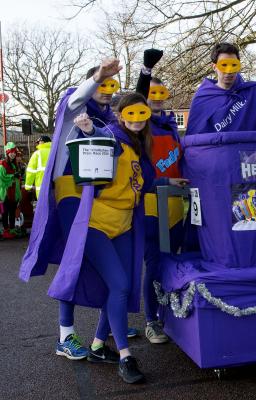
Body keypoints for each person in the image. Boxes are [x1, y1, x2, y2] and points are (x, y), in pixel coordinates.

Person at [69, 92, 186, 383]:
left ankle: (98, 345)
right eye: (130, 113)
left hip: (122, 225)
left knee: (121, 287)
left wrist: (168, 181)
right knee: (120, 286)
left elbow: (143, 181)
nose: (136, 119)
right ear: (121, 115)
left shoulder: (139, 144)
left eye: (141, 113)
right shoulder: (113, 136)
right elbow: (101, 142)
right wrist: (88, 131)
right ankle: (125, 356)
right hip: (96, 224)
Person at [19, 58, 122, 362]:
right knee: (73, 260)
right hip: (71, 195)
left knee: (100, 266)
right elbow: (78, 97)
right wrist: (99, 75)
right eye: (100, 84)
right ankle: (66, 335)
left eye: (109, 85)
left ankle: (100, 339)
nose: (104, 90)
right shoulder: (74, 107)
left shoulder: (107, 121)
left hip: (99, 198)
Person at [135, 49, 186, 344]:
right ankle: (151, 320)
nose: (155, 97)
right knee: (154, 264)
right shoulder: (141, 126)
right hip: (152, 205)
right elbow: (138, 101)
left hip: (177, 203)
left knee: (172, 261)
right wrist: (146, 73)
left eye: (160, 92)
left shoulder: (170, 125)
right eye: (150, 92)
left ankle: (169, 312)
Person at [0, 142, 21, 239]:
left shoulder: (14, 164)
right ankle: (5, 230)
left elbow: (17, 178)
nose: (13, 154)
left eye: (14, 152)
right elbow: (2, 178)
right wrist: (13, 176)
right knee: (5, 212)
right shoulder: (2, 164)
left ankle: (12, 229)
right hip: (6, 192)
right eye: (11, 152)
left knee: (12, 211)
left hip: (14, 192)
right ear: (7, 153)